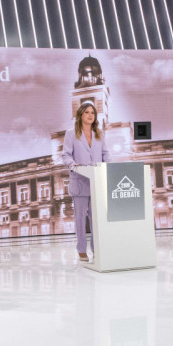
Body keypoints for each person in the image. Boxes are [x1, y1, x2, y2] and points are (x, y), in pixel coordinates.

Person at [61, 102, 110, 262]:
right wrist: (72, 165)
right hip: (80, 181)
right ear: (80, 114)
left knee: (96, 219)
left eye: (93, 113)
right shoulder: (70, 133)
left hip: (96, 181)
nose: (90, 115)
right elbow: (66, 155)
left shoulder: (99, 133)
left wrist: (109, 166)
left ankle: (97, 249)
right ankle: (81, 249)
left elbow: (105, 154)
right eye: (87, 112)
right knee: (80, 218)